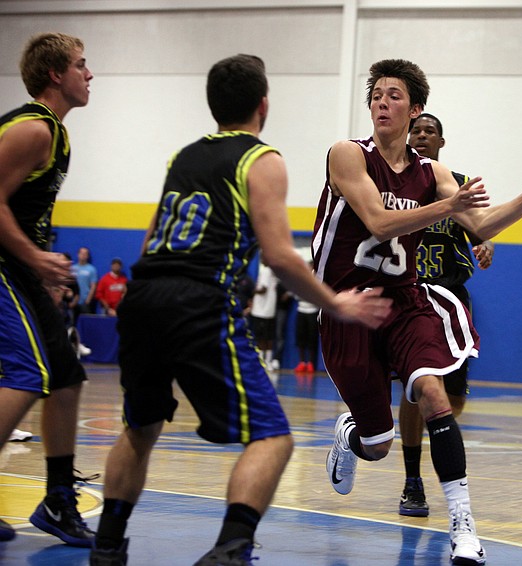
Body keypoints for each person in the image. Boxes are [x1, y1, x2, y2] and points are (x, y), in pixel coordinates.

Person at [89, 54, 390, 566]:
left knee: (139, 427)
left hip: (143, 296)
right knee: (272, 438)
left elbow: (150, 238)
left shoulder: (182, 157)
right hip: (198, 300)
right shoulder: (260, 158)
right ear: (263, 104)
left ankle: (108, 547)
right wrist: (335, 301)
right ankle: (230, 550)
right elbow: (277, 254)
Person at [312, 58, 522, 566]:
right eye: (377, 95)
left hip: (405, 301)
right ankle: (353, 433)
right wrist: (448, 206)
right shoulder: (346, 154)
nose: (382, 103)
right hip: (347, 309)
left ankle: (463, 525)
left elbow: (482, 225)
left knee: (434, 391)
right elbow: (378, 219)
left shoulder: (432, 173)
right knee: (378, 445)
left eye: (394, 96)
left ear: (414, 111)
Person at [0, 32, 96, 547]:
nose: (90, 74)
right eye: (81, 65)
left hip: (18, 267)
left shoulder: (56, 133)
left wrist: (41, 268)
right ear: (56, 75)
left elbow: (20, 211)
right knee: (26, 373)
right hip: (4, 266)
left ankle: (58, 500)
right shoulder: (33, 129)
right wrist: (34, 258)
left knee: (65, 375)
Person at [397, 113, 494, 518]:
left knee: (450, 400)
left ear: (441, 141)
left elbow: (479, 229)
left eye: (429, 131)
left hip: (451, 298)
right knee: (415, 388)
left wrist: (484, 243)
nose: (421, 136)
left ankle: (434, 452)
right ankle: (413, 481)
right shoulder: (394, 183)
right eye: (416, 131)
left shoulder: (456, 182)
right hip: (412, 297)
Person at [250, 257, 280, 370]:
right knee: (269, 337)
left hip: (261, 310)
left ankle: (262, 360)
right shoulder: (273, 272)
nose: (262, 259)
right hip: (269, 310)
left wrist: (252, 291)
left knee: (261, 337)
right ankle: (268, 360)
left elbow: (263, 289)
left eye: (263, 257)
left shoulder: (266, 271)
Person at [293, 264, 319, 374]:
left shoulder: (318, 280)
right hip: (301, 310)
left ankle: (311, 364)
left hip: (312, 311)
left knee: (312, 339)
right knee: (301, 338)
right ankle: (302, 362)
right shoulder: (301, 280)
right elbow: (296, 295)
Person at [270, 280, 293, 370]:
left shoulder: (288, 280)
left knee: (279, 334)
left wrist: (288, 294)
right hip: (270, 308)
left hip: (281, 310)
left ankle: (276, 359)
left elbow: (294, 290)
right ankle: (267, 357)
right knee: (269, 334)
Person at [72, 246, 97, 314]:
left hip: (85, 301)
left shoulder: (91, 269)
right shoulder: (72, 269)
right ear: (78, 254)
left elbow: (93, 286)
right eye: (81, 253)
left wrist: (88, 299)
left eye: (85, 254)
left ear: (88, 256)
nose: (83, 255)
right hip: (73, 301)